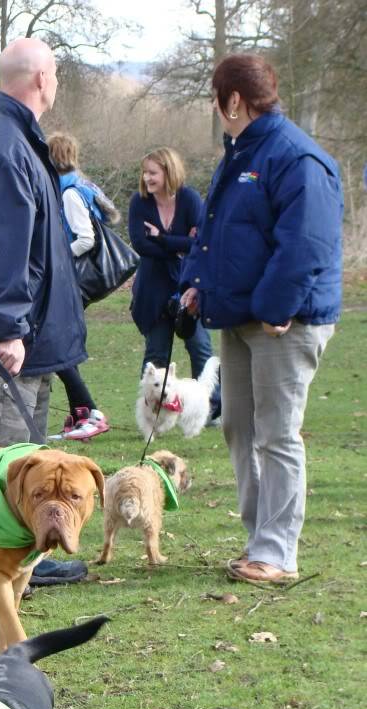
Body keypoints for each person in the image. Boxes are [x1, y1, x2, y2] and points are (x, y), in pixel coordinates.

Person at [180, 53, 343, 586]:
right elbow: (216, 231)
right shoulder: (241, 154)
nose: (215, 109)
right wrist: (195, 283)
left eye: (216, 99)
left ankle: (277, 553)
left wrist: (277, 308)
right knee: (238, 428)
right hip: (239, 320)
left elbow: (306, 244)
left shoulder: (295, 157)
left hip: (283, 324)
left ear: (233, 101)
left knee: (276, 435)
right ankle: (258, 540)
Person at [0, 38, 89, 599]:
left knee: (26, 458)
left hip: (34, 335)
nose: (56, 83)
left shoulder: (18, 140)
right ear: (38, 79)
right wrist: (8, 326)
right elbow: (4, 242)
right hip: (15, 336)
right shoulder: (7, 146)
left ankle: (24, 555)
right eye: (54, 73)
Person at [128, 147, 221, 421]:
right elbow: (141, 244)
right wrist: (181, 244)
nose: (147, 178)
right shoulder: (139, 203)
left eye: (153, 173)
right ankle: (151, 412)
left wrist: (163, 239)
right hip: (152, 289)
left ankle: (210, 410)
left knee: (200, 347)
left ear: (169, 172)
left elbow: (202, 241)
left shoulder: (190, 199)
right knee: (156, 352)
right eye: (145, 173)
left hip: (187, 286)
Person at [46, 131, 113, 441]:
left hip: (70, 280)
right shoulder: (82, 185)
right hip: (68, 281)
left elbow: (86, 238)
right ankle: (79, 417)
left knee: (56, 345)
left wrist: (58, 257)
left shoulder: (70, 193)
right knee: (57, 345)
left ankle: (91, 411)